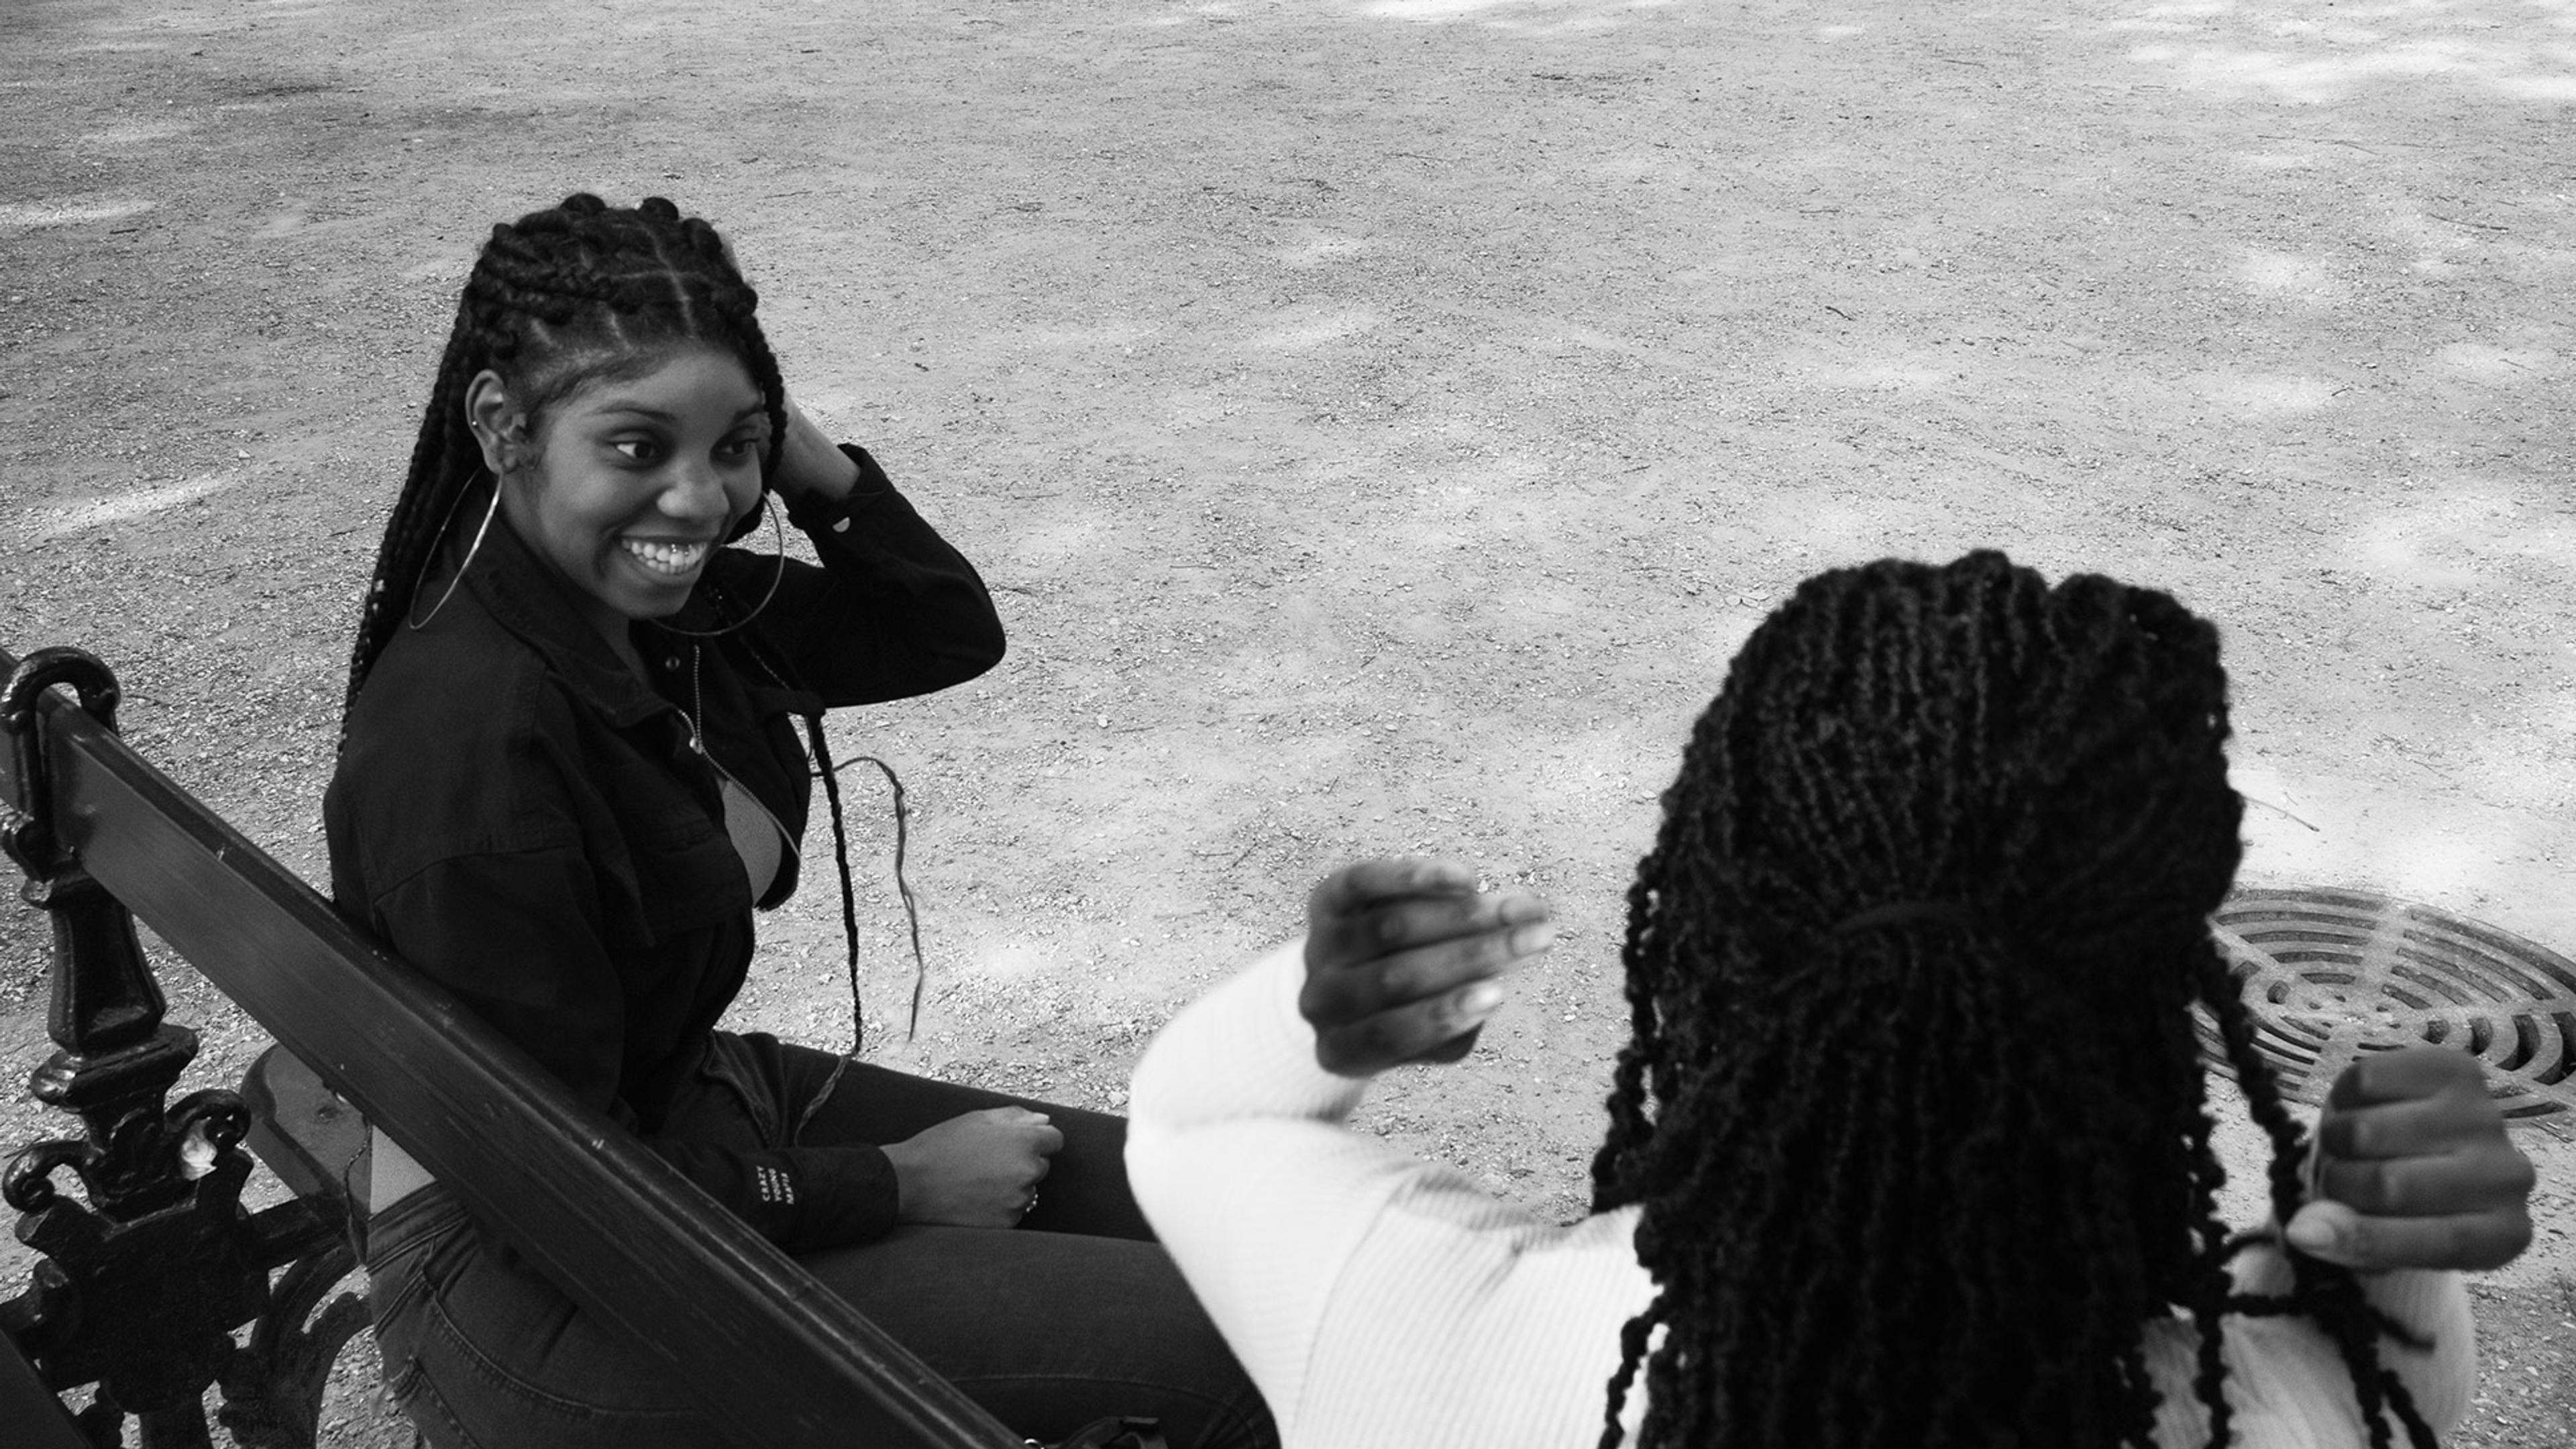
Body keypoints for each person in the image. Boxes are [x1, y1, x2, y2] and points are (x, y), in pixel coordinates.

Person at [1126, 552, 2537, 1449]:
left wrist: (1308, 1018)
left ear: (1699, 936)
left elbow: (1190, 1132)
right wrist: (2375, 1254)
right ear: (2154, 1020)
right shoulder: (2286, 1413)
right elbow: (2404, 1385)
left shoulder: (1406, 1326)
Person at [326, 194, 1271, 1449]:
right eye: (635, 446)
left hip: (677, 1125)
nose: (700, 500)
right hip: (544, 1289)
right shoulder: (483, 758)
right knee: (1241, 1351)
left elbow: (941, 632)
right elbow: (561, 1197)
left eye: (733, 449)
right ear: (502, 425)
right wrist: (895, 1186)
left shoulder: (651, 607)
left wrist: (804, 461)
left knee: (1250, 1215)